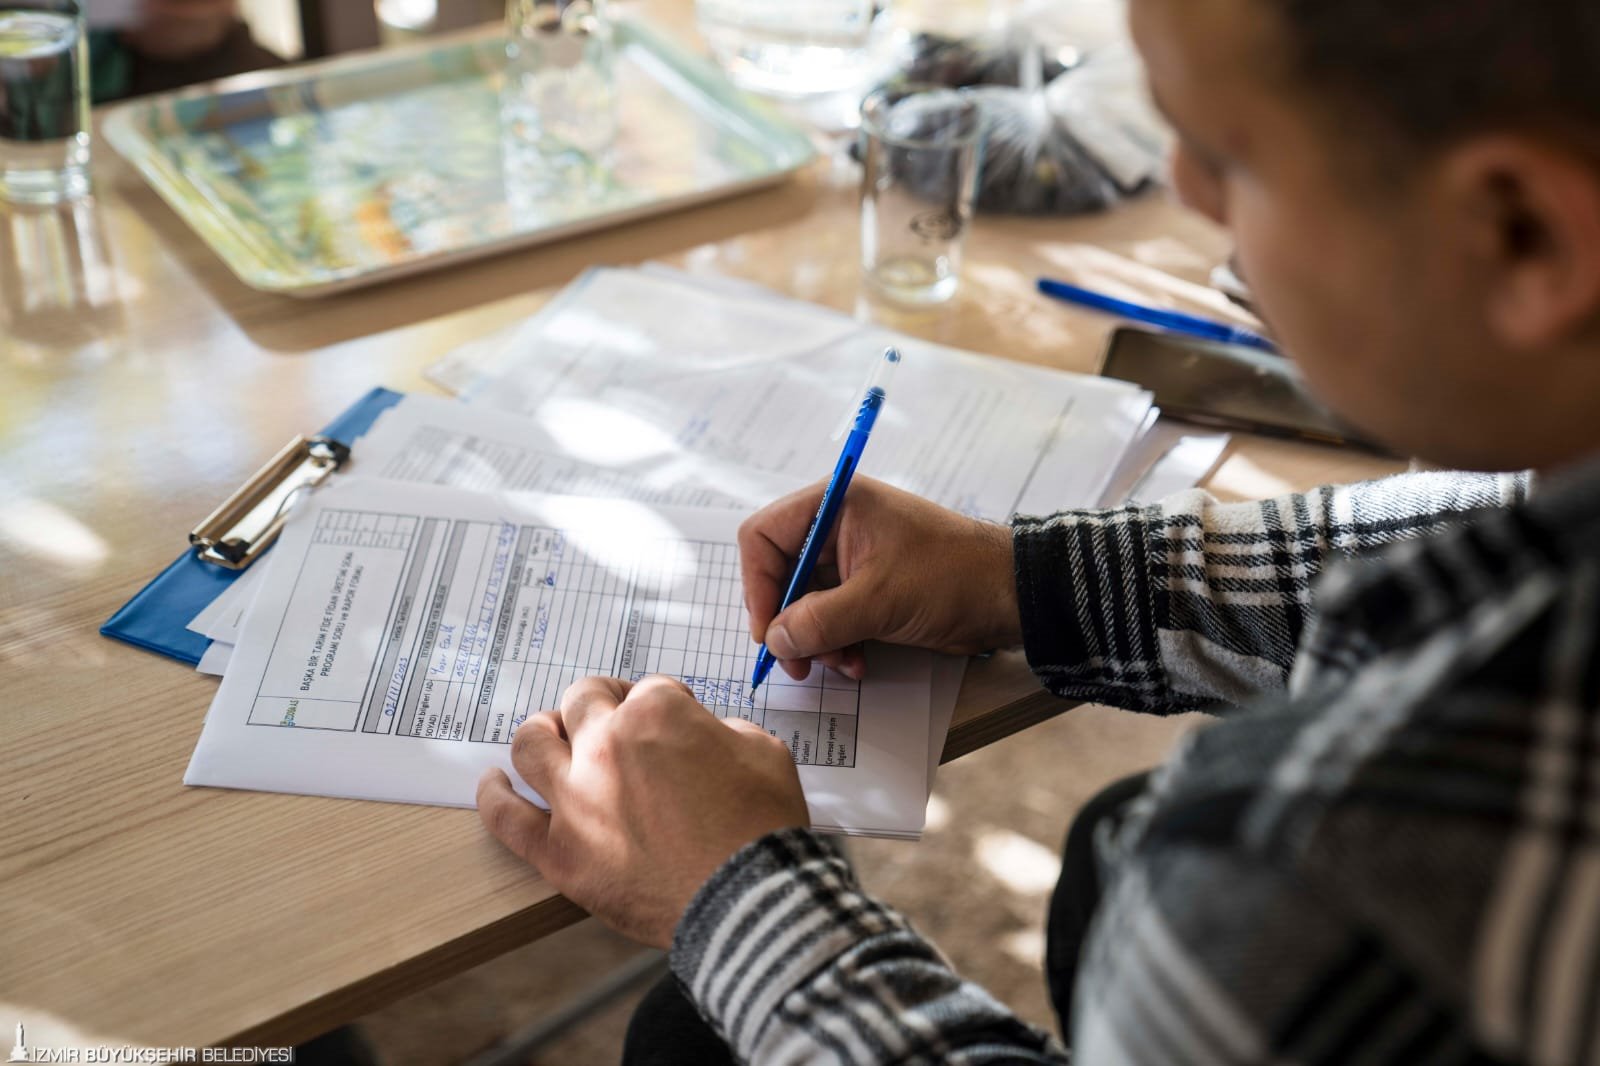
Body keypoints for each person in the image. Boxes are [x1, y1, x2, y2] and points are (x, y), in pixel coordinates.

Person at [476, 0, 1600, 1060]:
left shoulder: (1306, 876)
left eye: (1231, 155)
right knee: (1113, 844)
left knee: (689, 1035)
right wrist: (1025, 578)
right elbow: (1484, 524)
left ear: (1526, 237)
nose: (1184, 186)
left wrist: (738, 899)